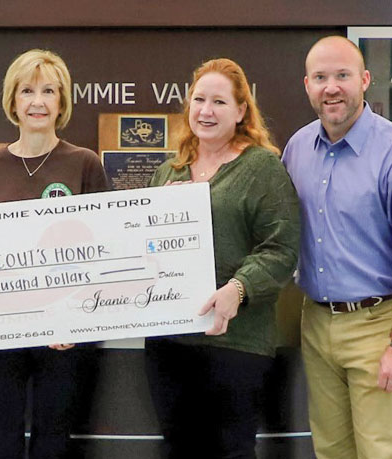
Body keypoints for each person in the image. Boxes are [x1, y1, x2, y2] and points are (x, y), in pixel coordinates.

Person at [282, 36, 392, 459]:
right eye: (320, 77)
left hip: (379, 324)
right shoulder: (298, 148)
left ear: (365, 80)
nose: (331, 87)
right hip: (317, 322)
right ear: (307, 85)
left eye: (342, 75)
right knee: (331, 450)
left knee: (380, 452)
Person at [0, 48, 108, 459]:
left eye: (48, 91)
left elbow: (103, 252)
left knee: (52, 446)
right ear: (13, 100)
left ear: (62, 102)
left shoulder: (85, 164)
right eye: (27, 91)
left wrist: (76, 321)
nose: (37, 101)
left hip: (63, 337)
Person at [144, 57, 301, 459]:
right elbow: (146, 248)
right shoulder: (168, 172)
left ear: (241, 111)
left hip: (236, 341)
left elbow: (281, 247)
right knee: (178, 448)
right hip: (170, 340)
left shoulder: (262, 168)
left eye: (219, 102)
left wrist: (239, 288)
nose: (206, 111)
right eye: (199, 100)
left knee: (231, 449)